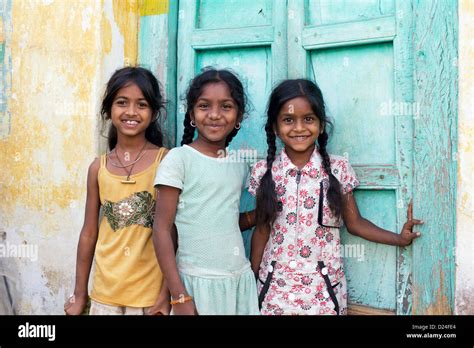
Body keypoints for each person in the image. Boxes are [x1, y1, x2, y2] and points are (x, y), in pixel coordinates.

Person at [249, 79, 423, 315]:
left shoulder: (338, 169)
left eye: (308, 119)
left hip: (324, 290)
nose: (299, 127)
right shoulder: (264, 172)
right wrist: (251, 278)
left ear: (321, 126)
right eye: (288, 120)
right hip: (275, 290)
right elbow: (261, 230)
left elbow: (356, 224)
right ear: (275, 127)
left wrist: (399, 239)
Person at [64, 67, 171, 315]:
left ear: (154, 112)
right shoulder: (98, 168)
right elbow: (89, 233)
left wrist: (167, 295)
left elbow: (175, 233)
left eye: (141, 104)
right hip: (105, 296)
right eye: (122, 103)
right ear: (109, 109)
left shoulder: (166, 162)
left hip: (149, 297)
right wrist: (80, 294)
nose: (131, 112)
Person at [153, 68, 259, 315]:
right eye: (204, 106)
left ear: (239, 116)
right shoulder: (179, 159)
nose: (214, 115)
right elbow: (162, 230)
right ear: (191, 113)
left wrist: (258, 216)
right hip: (196, 283)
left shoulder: (240, 164)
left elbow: (221, 220)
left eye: (226, 106)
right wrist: (178, 295)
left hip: (238, 280)